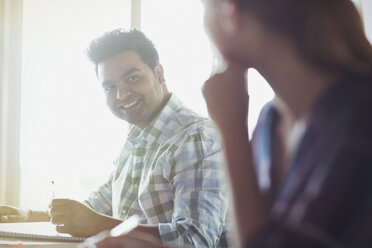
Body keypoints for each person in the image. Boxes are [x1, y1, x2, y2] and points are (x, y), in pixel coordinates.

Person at [86, 0, 372, 247]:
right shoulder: (269, 124)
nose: (121, 93)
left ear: (229, 12)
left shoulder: (356, 117)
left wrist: (230, 127)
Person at [0, 29, 229, 247]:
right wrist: (30, 216)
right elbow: (95, 207)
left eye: (132, 78)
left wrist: (96, 224)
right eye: (109, 87)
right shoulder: (136, 140)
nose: (121, 94)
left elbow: (195, 240)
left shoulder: (196, 137)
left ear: (159, 73)